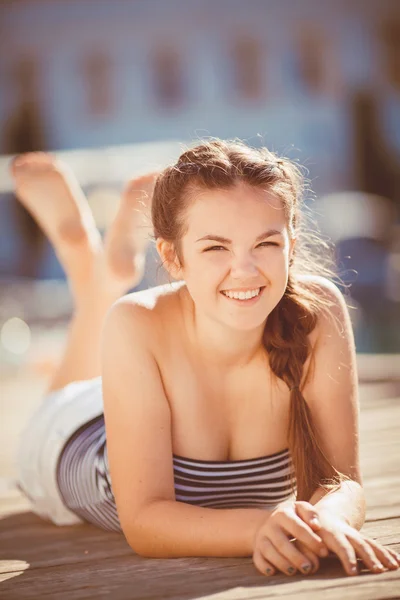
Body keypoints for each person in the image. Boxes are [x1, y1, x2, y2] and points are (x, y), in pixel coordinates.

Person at [13, 141, 400, 579]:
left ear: (291, 243)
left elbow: (341, 481)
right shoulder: (137, 320)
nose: (246, 270)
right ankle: (92, 278)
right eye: (216, 248)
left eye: (266, 243)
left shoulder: (319, 311)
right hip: (69, 441)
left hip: (137, 396)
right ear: (172, 257)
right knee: (66, 392)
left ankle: (96, 272)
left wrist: (327, 522)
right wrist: (260, 527)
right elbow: (143, 523)